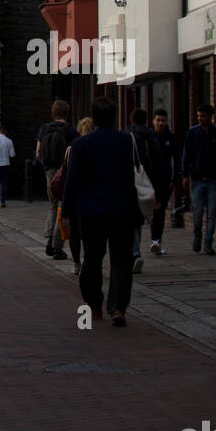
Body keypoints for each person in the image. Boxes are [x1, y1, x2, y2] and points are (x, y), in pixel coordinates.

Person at [61, 97, 142, 327]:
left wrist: (67, 212)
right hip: (121, 211)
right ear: (115, 117)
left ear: (93, 118)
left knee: (92, 261)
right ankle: (118, 307)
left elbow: (72, 181)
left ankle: (94, 305)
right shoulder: (127, 141)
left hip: (91, 212)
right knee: (121, 261)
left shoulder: (81, 145)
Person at [36, 99, 78, 260]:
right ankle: (57, 245)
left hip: (49, 171)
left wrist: (47, 167)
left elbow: (38, 152)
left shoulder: (44, 129)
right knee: (63, 206)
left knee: (52, 206)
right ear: (67, 113)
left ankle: (48, 240)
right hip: (64, 171)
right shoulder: (70, 130)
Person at [128, 108, 163, 274]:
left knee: (132, 219)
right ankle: (136, 252)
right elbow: (157, 162)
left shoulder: (129, 137)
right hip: (147, 182)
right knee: (139, 219)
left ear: (132, 120)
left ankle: (135, 253)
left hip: (131, 182)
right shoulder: (151, 137)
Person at [181, 103, 216, 256]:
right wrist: (185, 174)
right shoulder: (192, 133)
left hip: (213, 179)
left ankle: (208, 244)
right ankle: (197, 235)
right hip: (197, 179)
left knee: (212, 213)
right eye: (198, 116)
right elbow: (187, 154)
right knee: (197, 213)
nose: (199, 119)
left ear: (210, 117)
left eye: (202, 116)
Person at [62, 116, 95, 274]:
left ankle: (76, 263)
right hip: (92, 197)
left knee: (75, 231)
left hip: (76, 196)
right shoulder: (98, 148)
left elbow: (69, 177)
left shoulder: (73, 148)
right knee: (89, 233)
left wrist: (66, 206)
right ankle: (88, 260)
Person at [149, 108, 178, 256]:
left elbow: (176, 159)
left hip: (164, 181)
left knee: (159, 211)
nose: (160, 123)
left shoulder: (170, 138)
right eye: (158, 120)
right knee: (151, 212)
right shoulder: (149, 136)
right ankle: (154, 240)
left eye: (163, 121)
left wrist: (174, 179)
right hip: (149, 180)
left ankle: (156, 241)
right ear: (153, 121)